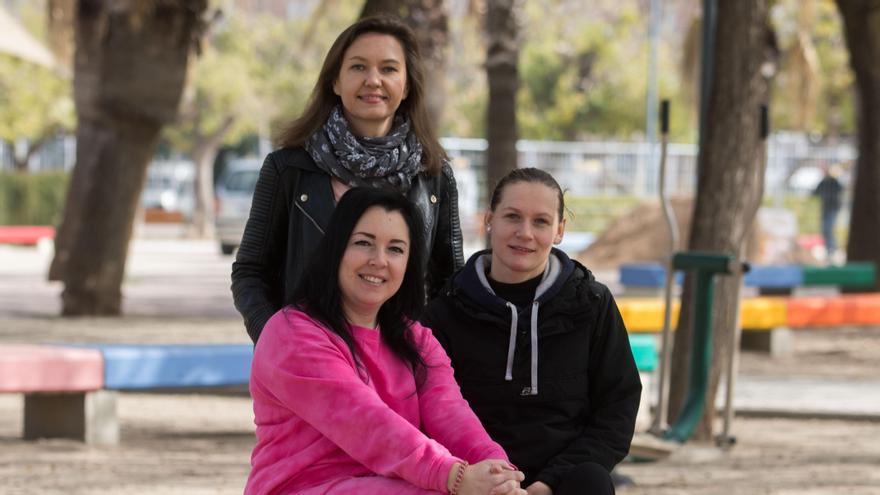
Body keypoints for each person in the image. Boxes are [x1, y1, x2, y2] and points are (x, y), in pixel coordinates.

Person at [246, 187, 526, 495]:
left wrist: (498, 472)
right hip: (306, 486)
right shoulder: (292, 334)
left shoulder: (416, 339)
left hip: (394, 483)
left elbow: (451, 414)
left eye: (395, 249)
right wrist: (455, 476)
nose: (379, 260)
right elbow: (368, 425)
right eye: (364, 243)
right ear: (336, 248)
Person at [232, 16, 463, 343]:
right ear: (335, 82)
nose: (373, 80)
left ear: (408, 85)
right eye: (358, 67)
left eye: (388, 69)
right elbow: (250, 273)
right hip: (307, 364)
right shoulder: (289, 169)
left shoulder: (434, 177)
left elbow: (450, 283)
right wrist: (278, 341)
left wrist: (423, 351)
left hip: (400, 368)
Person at [422, 168, 642, 495]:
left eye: (540, 221)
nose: (525, 233)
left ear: (560, 231)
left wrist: (550, 483)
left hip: (562, 479)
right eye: (512, 217)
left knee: (592, 481)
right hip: (477, 477)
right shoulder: (445, 312)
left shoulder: (592, 304)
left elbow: (617, 408)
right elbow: (428, 414)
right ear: (489, 220)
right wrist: (481, 479)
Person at [812, 164, 843, 257]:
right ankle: (829, 248)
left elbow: (840, 190)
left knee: (828, 228)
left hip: (832, 207)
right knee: (825, 229)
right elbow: (815, 193)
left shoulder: (834, 182)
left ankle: (831, 248)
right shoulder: (823, 182)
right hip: (826, 208)